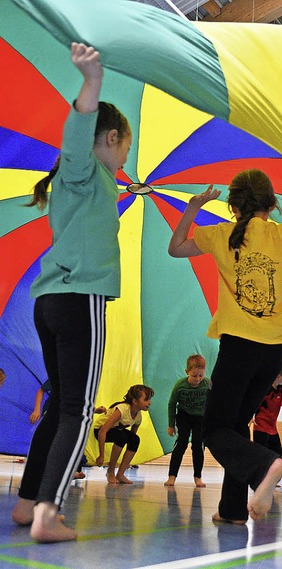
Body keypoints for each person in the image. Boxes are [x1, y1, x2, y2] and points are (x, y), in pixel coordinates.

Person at [168, 176, 282, 523]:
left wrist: (193, 209)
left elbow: (176, 247)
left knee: (214, 428)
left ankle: (263, 465)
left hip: (239, 346)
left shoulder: (221, 233)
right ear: (272, 205)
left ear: (234, 207)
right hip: (273, 351)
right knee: (235, 425)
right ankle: (233, 509)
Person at [10, 43, 131, 543]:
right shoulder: (81, 169)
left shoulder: (85, 184)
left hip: (51, 302)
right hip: (80, 301)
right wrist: (92, 82)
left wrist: (119, 187)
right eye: (126, 147)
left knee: (62, 402)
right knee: (79, 411)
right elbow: (78, 131)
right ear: (110, 138)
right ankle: (47, 513)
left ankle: (26, 503)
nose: (127, 158)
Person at [164, 354, 211, 488]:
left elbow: (214, 402)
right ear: (187, 372)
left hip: (200, 418)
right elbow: (172, 404)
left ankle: (198, 477)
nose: (197, 379)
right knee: (182, 442)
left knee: (198, 444)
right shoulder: (180, 385)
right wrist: (171, 425)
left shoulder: (207, 384)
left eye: (200, 375)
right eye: (194, 375)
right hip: (184, 415)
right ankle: (172, 476)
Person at [93, 385, 154, 484]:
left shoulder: (138, 417)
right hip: (99, 431)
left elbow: (131, 437)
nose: (149, 403)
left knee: (135, 439)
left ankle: (121, 474)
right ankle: (110, 471)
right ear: (135, 401)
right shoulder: (122, 410)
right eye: (146, 399)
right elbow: (102, 432)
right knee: (121, 436)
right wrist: (101, 456)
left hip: (116, 432)